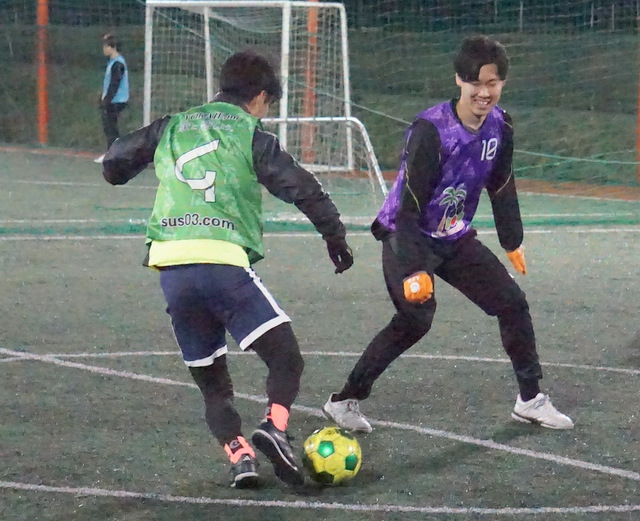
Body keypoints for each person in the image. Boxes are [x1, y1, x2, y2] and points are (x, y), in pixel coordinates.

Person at [102, 51, 354, 488]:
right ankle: (275, 427)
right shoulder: (251, 133)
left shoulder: (171, 125)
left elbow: (113, 163)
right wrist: (335, 238)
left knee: (212, 380)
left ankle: (239, 455)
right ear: (259, 97)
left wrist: (123, 171)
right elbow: (302, 188)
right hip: (222, 263)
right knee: (286, 358)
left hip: (172, 268)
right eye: (267, 104)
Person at [323, 35, 574, 433]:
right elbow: (408, 207)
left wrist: (512, 241)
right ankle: (344, 400)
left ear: (502, 84)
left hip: (453, 236)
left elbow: (501, 183)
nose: (484, 92)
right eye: (476, 83)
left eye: (493, 83)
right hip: (407, 234)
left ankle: (530, 400)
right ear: (459, 80)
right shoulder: (431, 129)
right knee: (415, 320)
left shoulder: (501, 125)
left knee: (512, 303)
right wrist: (413, 269)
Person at [95, 33, 129, 163]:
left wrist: (107, 100)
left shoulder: (118, 63)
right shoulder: (113, 62)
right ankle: (114, 153)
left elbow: (115, 84)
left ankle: (114, 154)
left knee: (111, 128)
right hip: (113, 100)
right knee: (110, 128)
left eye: (106, 46)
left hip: (117, 101)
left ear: (112, 47)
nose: (104, 49)